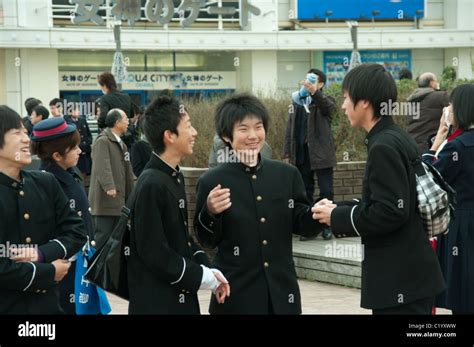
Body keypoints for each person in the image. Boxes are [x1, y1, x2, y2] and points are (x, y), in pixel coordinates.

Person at [312, 64, 445, 315]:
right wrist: (337, 208)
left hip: (400, 280)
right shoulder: (395, 135)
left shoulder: (382, 146)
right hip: (412, 275)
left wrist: (337, 217)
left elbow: (391, 211)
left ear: (364, 102)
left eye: (346, 99)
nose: (343, 106)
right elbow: (388, 200)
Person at [194, 93, 325, 314]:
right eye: (243, 129)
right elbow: (206, 240)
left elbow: (302, 224)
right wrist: (210, 213)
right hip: (236, 295)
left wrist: (319, 213)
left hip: (282, 294)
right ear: (227, 135)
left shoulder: (287, 175)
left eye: (258, 127)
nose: (253, 135)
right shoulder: (211, 181)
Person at [128, 95, 230, 314]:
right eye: (189, 127)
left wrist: (209, 269)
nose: (194, 133)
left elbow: (180, 239)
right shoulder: (152, 183)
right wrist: (202, 277)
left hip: (177, 297)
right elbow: (154, 252)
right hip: (158, 303)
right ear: (169, 136)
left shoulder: (171, 176)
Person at [0, 105, 86, 314]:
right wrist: (49, 272)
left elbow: (76, 232)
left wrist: (41, 253)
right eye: (16, 133)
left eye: (25, 132)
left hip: (47, 307)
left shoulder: (45, 183)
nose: (26, 138)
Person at [30, 117, 96, 314]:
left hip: (81, 264)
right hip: (65, 268)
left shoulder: (69, 172)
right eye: (74, 147)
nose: (80, 151)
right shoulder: (45, 183)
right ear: (57, 155)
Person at [421, 84, 474, 314]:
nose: (447, 109)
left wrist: (436, 142)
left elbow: (428, 181)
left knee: (464, 294)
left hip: (463, 227)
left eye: (451, 104)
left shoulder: (458, 147)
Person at [283, 68, 336, 241]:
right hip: (301, 153)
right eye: (307, 79)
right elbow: (289, 129)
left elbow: (329, 109)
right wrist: (287, 153)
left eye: (313, 81)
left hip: (321, 153)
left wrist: (314, 92)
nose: (309, 83)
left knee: (326, 190)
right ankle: (309, 227)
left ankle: (327, 225)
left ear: (320, 84)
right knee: (305, 192)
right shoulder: (297, 101)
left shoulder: (324, 101)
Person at [89, 109, 135, 249]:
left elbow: (128, 172)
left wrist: (134, 193)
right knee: (103, 240)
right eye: (126, 119)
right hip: (105, 201)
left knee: (116, 242)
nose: (128, 121)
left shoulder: (122, 144)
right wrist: (109, 185)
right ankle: (97, 270)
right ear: (117, 122)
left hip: (119, 202)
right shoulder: (103, 141)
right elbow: (102, 165)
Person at [406, 72, 449, 153]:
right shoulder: (440, 96)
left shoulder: (411, 99)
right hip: (429, 146)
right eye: (436, 81)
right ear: (432, 83)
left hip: (411, 145)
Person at [65, 104, 93, 179]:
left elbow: (88, 134)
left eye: (78, 110)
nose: (78, 112)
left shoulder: (82, 120)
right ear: (70, 112)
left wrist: (88, 143)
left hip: (86, 151)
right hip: (76, 149)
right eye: (76, 110)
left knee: (86, 171)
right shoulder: (67, 122)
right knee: (77, 171)